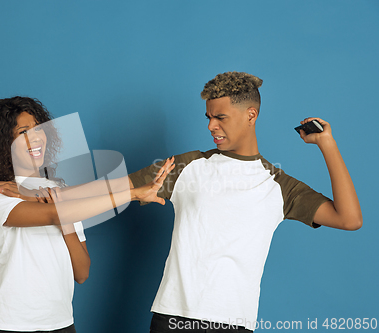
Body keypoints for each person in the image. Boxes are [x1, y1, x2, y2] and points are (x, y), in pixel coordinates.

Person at [127, 72, 362, 332]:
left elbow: (349, 219)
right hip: (173, 318)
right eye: (209, 117)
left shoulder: (279, 186)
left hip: (234, 323)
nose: (211, 126)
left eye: (220, 117)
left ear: (251, 115)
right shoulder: (186, 165)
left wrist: (327, 144)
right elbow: (113, 190)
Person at [0, 96, 174, 333]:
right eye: (23, 132)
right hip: (8, 323)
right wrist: (133, 194)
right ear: (5, 143)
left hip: (60, 323)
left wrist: (135, 188)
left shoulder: (58, 191)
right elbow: (55, 213)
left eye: (38, 129)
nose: (35, 137)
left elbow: (82, 272)